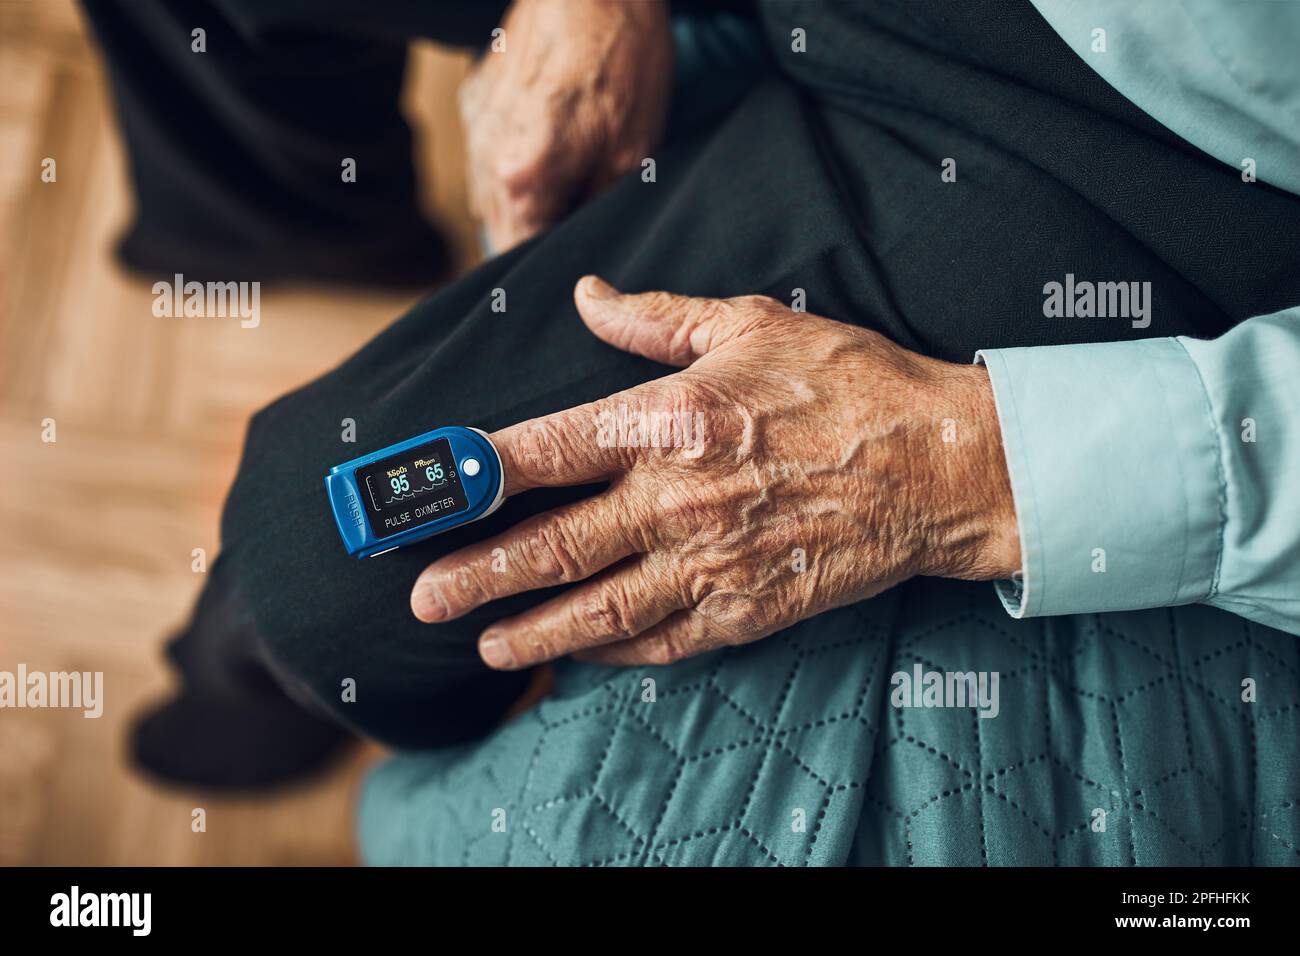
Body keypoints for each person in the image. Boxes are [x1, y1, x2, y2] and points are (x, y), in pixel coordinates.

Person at [85, 0, 1300, 864]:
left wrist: (969, 464)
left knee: (317, 564)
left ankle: (249, 667)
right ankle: (285, 224)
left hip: (1130, 144)